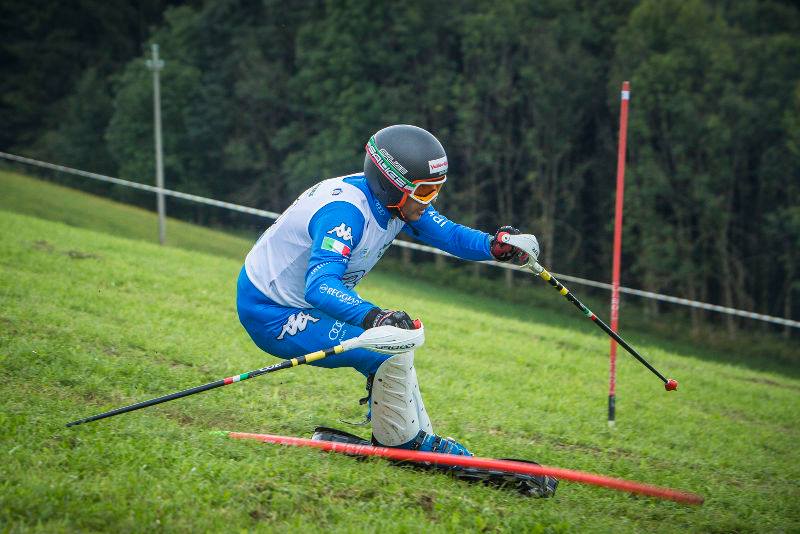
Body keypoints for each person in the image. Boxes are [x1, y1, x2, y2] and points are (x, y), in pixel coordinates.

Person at [237, 124, 534, 456]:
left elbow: (448, 234)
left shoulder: (397, 204)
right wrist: (375, 317)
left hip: (304, 302)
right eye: (424, 192)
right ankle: (405, 443)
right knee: (386, 349)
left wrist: (494, 247)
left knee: (394, 344)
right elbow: (320, 286)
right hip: (272, 311)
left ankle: (409, 436)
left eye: (436, 190)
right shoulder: (346, 214)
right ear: (393, 186)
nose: (431, 201)